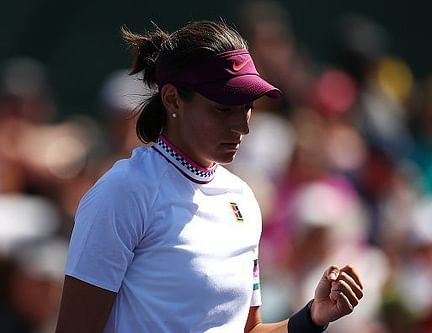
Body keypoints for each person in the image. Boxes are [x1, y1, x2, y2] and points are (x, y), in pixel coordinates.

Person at [55, 20, 363, 333]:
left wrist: (311, 318)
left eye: (246, 107)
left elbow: (248, 330)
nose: (242, 126)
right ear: (172, 99)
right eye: (222, 109)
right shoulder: (124, 192)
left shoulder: (242, 198)